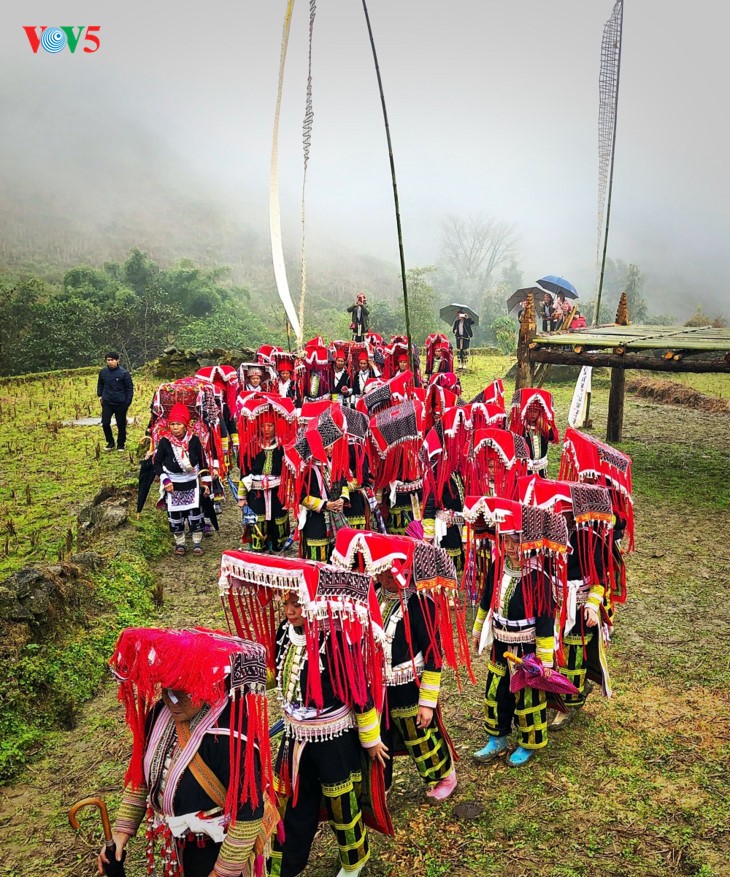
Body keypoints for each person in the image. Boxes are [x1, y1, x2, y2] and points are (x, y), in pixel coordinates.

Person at [100, 627, 276, 877]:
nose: (171, 701)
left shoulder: (228, 736)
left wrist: (223, 872)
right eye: (166, 689)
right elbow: (142, 777)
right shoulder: (157, 716)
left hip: (217, 849)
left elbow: (248, 810)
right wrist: (121, 833)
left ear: (206, 685)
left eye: (183, 692)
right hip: (179, 845)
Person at [468, 499, 563, 768]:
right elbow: (487, 598)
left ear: (529, 542)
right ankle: (496, 737)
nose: (510, 548)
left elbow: (546, 620)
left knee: (527, 696)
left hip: (527, 649)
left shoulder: (539, 577)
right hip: (500, 643)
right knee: (496, 690)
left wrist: (544, 662)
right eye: (506, 541)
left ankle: (527, 741)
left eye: (516, 541)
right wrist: (478, 630)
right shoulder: (499, 565)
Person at [154, 402, 213, 556]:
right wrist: (165, 480)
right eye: (172, 424)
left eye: (178, 424)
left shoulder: (194, 441)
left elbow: (203, 462)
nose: (175, 428)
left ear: (185, 425)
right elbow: (157, 464)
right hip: (172, 485)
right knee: (175, 517)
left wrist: (206, 484)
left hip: (192, 483)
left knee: (195, 514)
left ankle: (197, 543)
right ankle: (180, 543)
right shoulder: (165, 442)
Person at [97, 351, 134, 451]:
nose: (110, 362)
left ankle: (121, 444)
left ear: (117, 360)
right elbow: (100, 384)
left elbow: (129, 388)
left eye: (112, 360)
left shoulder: (124, 373)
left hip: (120, 403)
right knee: (105, 423)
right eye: (108, 360)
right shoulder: (103, 372)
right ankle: (110, 442)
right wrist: (100, 395)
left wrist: (127, 402)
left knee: (121, 424)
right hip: (107, 402)